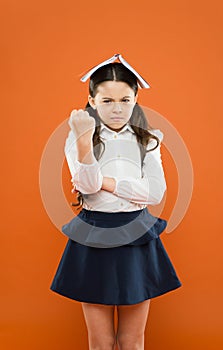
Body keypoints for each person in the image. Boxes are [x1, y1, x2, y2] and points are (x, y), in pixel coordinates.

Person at [50, 54, 182, 350]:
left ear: (136, 99)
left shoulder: (148, 140)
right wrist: (85, 142)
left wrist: (107, 183)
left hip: (136, 233)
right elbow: (86, 186)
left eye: (125, 99)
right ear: (92, 101)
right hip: (94, 234)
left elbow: (155, 193)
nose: (117, 109)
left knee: (133, 341)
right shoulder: (77, 139)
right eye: (107, 101)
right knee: (100, 341)